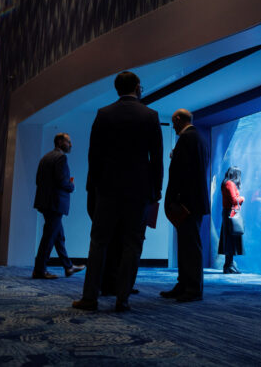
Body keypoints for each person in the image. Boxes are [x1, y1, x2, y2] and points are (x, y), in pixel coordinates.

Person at [72, 71, 163, 312]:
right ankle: (122, 299)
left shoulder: (104, 114)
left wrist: (93, 187)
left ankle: (90, 297)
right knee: (132, 245)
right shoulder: (151, 115)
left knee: (99, 243)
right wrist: (157, 189)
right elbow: (157, 158)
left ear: (117, 89)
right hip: (139, 190)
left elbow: (94, 155)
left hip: (108, 190)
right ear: (137, 87)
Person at [160, 109, 210, 302]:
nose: (173, 126)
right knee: (187, 245)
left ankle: (193, 288)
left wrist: (178, 199)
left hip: (187, 203)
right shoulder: (199, 138)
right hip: (194, 202)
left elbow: (185, 173)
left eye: (173, 122)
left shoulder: (187, 138)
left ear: (178, 119)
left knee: (190, 246)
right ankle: (184, 284)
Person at [33, 133, 85, 279]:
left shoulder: (45, 157)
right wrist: (71, 185)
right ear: (60, 141)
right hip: (55, 203)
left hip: (45, 202)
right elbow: (62, 181)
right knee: (49, 237)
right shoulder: (61, 158)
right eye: (69, 142)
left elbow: (38, 180)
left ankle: (68, 267)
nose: (71, 145)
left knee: (58, 236)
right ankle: (39, 270)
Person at [218, 166, 244, 274]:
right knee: (230, 240)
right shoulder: (230, 184)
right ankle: (228, 266)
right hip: (231, 214)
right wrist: (242, 198)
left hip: (228, 213)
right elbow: (234, 200)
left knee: (230, 240)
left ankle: (229, 265)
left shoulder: (226, 183)